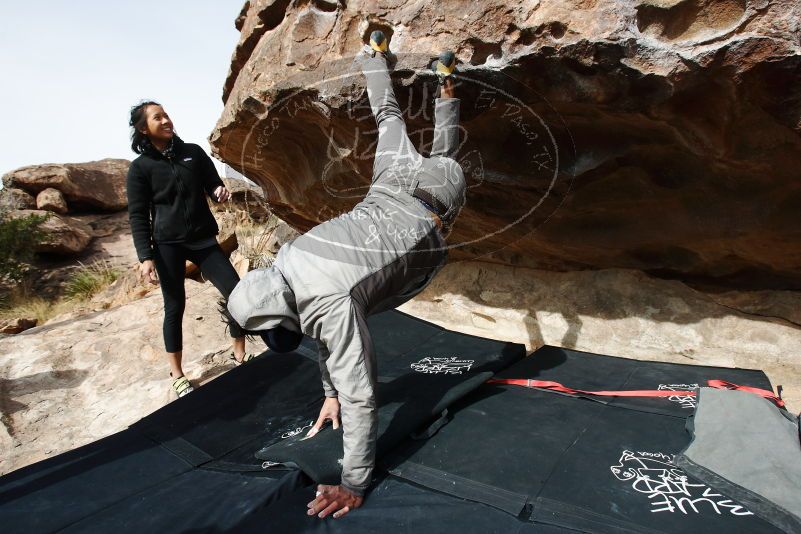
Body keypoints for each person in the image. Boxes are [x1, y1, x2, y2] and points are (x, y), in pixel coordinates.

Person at [226, 33, 465, 518]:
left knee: (448, 155)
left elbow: (361, 390)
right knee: (389, 119)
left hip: (433, 201)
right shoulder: (286, 261)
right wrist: (327, 394)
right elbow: (315, 329)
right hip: (389, 182)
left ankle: (447, 92)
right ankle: (374, 55)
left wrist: (354, 482)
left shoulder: (329, 307)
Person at [126, 101, 253, 398]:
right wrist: (146, 257)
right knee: (175, 306)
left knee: (236, 294)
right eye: (158, 117)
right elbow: (137, 214)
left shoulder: (192, 153)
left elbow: (213, 184)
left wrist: (218, 191)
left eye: (167, 114)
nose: (167, 120)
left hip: (203, 239)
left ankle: (239, 353)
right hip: (167, 245)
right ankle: (178, 374)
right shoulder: (141, 168)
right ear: (144, 128)